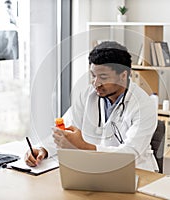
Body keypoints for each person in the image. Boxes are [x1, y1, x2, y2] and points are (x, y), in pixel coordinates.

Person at [25, 41, 159, 172]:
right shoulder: (89, 95)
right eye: (93, 76)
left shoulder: (144, 105)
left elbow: (130, 154)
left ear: (123, 76)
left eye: (103, 77)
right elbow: (65, 130)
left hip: (135, 172)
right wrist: (43, 149)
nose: (96, 83)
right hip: (95, 168)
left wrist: (83, 146)